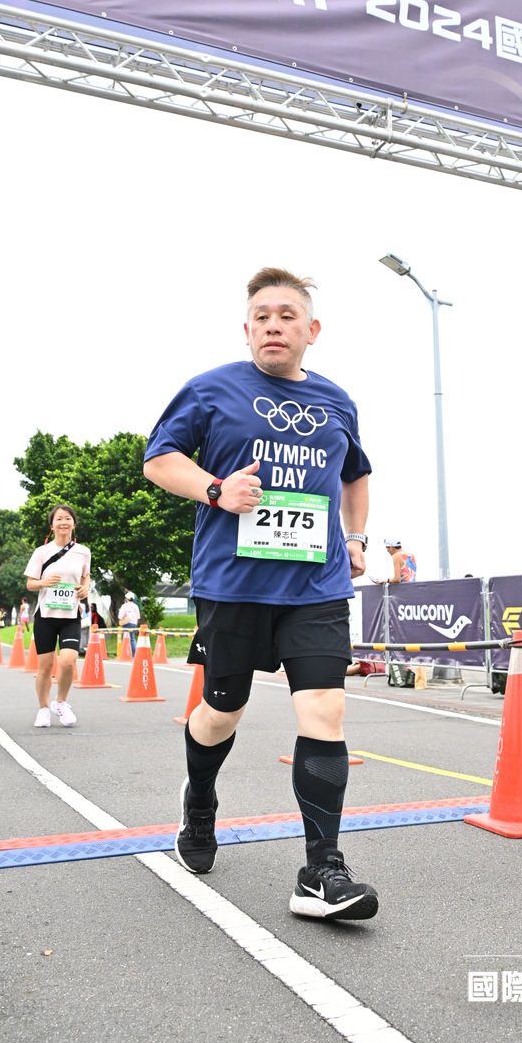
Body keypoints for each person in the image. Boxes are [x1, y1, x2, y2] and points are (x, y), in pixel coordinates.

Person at [144, 267, 377, 922]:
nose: (274, 326)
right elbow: (159, 460)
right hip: (233, 585)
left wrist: (356, 537)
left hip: (316, 584)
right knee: (223, 709)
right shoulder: (211, 389)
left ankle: (321, 870)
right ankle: (200, 799)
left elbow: (356, 474)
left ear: (311, 330)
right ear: (246, 330)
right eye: (262, 317)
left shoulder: (336, 401)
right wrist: (216, 489)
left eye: (286, 316)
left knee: (324, 711)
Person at [23, 504, 91, 728]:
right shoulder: (41, 552)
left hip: (71, 616)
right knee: (45, 667)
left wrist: (85, 588)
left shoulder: (83, 552)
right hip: (46, 616)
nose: (64, 522)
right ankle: (43, 708)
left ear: (74, 524)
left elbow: (85, 576)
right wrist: (44, 582)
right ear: (52, 526)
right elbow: (30, 584)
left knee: (69, 661)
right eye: (59, 519)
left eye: (68, 518)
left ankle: (60, 702)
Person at [118, 591, 140, 656]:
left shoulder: (124, 606)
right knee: (132, 639)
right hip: (134, 623)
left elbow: (120, 616)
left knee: (126, 639)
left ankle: (126, 654)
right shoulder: (135, 606)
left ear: (127, 598)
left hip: (126, 623)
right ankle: (134, 654)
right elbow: (138, 616)